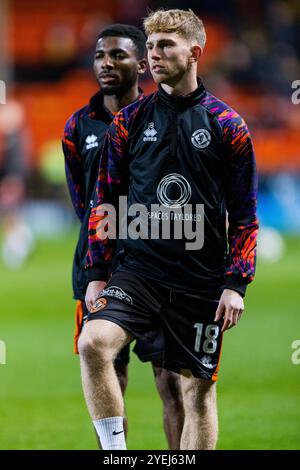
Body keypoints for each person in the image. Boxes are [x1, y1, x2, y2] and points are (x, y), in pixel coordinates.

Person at [82, 9, 259, 450]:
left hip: (199, 279)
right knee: (93, 343)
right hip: (137, 272)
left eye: (165, 46)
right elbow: (105, 202)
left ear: (195, 52)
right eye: (151, 45)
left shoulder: (227, 125)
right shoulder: (129, 122)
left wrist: (236, 283)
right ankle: (116, 455)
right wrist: (97, 272)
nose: (154, 55)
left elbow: (244, 213)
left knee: (196, 392)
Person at [62, 24, 184, 449]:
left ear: (142, 64)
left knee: (171, 381)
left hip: (156, 265)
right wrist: (103, 255)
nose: (107, 64)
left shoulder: (164, 119)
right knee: (106, 368)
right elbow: (85, 203)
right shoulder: (78, 126)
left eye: (118, 55)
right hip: (97, 268)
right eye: (100, 56)